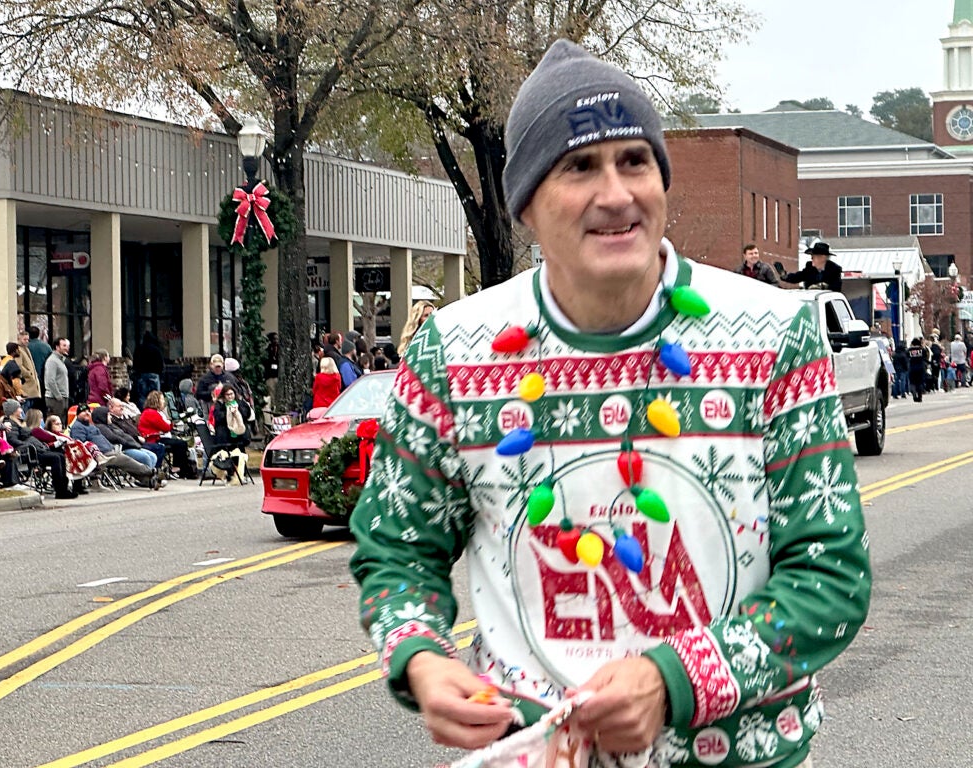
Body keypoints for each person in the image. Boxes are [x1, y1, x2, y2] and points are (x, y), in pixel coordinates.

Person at [349, 39, 870, 768]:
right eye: (579, 167)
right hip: (533, 751)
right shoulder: (451, 352)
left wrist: (672, 680)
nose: (616, 193)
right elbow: (399, 548)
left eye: (635, 161)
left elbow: (830, 575)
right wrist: (421, 659)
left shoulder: (776, 335)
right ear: (527, 202)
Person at [69, 404, 161, 488]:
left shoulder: (91, 425)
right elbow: (80, 444)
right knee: (127, 460)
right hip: (100, 455)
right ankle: (151, 472)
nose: (87, 413)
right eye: (83, 411)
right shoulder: (78, 427)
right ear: (78, 414)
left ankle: (149, 481)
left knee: (127, 463)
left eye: (88, 411)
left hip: (110, 451)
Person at [1, 398, 77, 499]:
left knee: (60, 456)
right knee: (55, 458)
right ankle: (60, 490)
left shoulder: (19, 422)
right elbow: (13, 440)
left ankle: (63, 488)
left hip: (36, 448)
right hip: (29, 452)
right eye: (19, 408)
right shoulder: (11, 424)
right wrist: (27, 445)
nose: (21, 410)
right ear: (13, 410)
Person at [139, 390, 198, 479]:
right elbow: (166, 427)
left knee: (180, 442)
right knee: (180, 444)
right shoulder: (151, 413)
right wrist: (170, 424)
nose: (164, 401)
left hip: (160, 436)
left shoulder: (157, 412)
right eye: (162, 399)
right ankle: (176, 469)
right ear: (156, 401)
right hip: (153, 439)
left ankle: (182, 469)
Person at [777, 241, 843, 292]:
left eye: (813, 257)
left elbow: (836, 287)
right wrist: (784, 276)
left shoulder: (834, 269)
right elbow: (798, 276)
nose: (811, 259)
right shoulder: (809, 268)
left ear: (822, 258)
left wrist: (821, 286)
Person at [132, 330, 165, 408]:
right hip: (154, 375)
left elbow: (135, 362)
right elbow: (161, 364)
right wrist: (159, 374)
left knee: (142, 396)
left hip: (142, 374)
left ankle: (144, 411)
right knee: (156, 396)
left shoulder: (139, 348)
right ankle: (155, 410)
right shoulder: (156, 350)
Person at [213, 384, 251, 450]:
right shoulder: (219, 404)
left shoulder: (240, 402)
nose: (230, 396)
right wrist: (229, 413)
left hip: (240, 437)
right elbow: (218, 417)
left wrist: (237, 412)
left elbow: (247, 414)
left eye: (231, 394)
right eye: (227, 395)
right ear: (224, 395)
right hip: (225, 437)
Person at [43, 337, 70, 419]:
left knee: (61, 422)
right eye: (64, 345)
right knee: (55, 422)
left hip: (62, 397)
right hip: (54, 399)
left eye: (67, 346)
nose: (67, 348)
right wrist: (58, 396)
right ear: (57, 347)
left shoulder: (61, 360)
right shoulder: (52, 361)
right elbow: (50, 380)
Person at [15, 329, 43, 412]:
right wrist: (28, 374)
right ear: (19, 339)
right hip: (26, 386)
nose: (27, 341)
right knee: (25, 410)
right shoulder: (18, 350)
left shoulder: (26, 349)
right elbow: (19, 365)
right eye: (24, 339)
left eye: (28, 339)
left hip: (32, 385)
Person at [264, 331, 280, 407]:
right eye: (274, 339)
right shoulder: (267, 351)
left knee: (278, 393)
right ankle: (273, 407)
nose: (276, 341)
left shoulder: (281, 350)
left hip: (278, 375)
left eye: (277, 339)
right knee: (271, 393)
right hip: (270, 376)